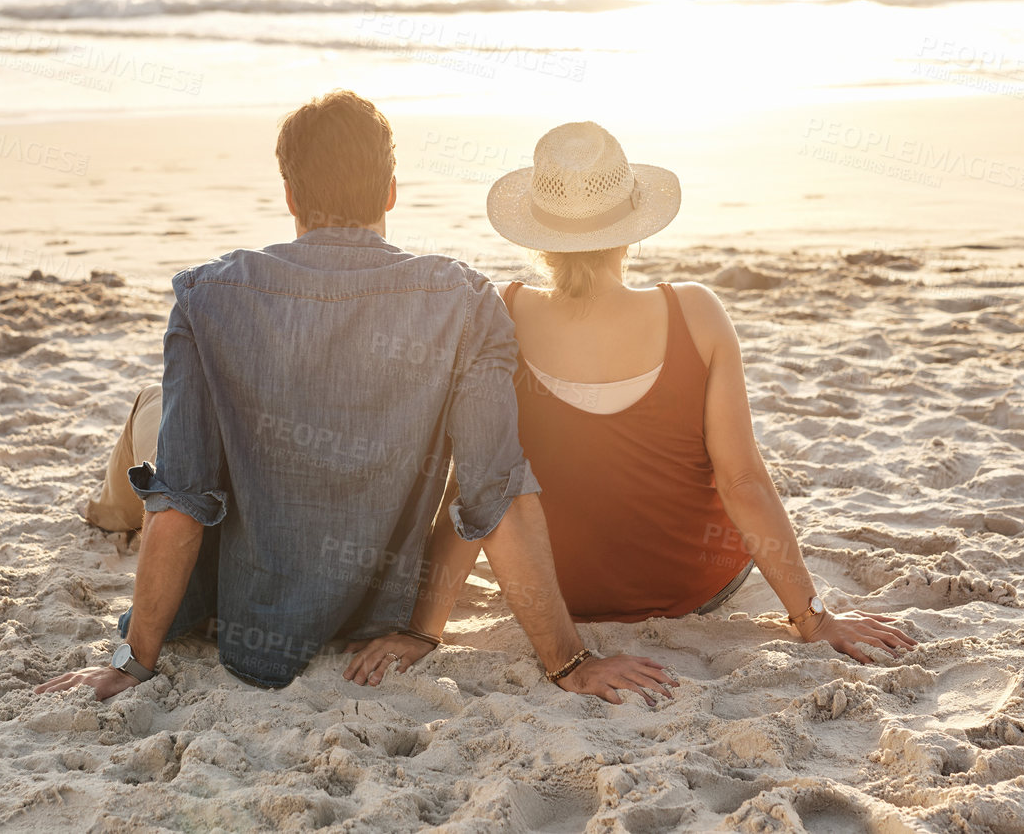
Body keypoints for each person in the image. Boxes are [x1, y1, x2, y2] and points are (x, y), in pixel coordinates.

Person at [38, 93, 672, 704]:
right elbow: (495, 492)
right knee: (161, 421)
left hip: (242, 622)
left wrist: (134, 661)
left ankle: (109, 512)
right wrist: (570, 661)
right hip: (377, 619)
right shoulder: (466, 302)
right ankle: (114, 507)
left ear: (289, 194)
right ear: (391, 191)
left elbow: (182, 498)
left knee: (154, 420)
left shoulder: (207, 296)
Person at [343, 122, 916, 685]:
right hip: (695, 589)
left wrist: (424, 631)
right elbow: (743, 483)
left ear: (539, 235)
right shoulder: (697, 313)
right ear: (632, 228)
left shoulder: (499, 314)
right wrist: (814, 619)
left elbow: (472, 490)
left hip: (564, 597)